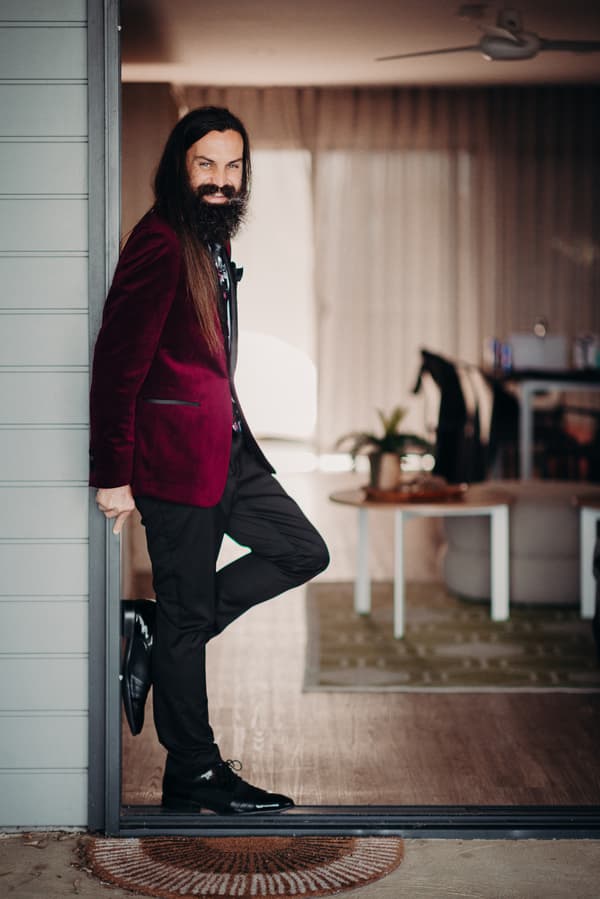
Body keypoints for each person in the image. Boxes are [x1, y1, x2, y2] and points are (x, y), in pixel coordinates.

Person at [89, 106, 329, 815]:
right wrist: (113, 472)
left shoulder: (209, 243)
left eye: (234, 167)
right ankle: (191, 770)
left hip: (228, 452)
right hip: (172, 463)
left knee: (301, 549)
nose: (222, 181)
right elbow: (117, 362)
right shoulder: (160, 242)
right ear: (180, 168)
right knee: (191, 617)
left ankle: (159, 629)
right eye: (207, 166)